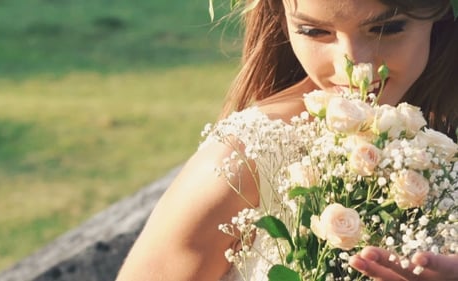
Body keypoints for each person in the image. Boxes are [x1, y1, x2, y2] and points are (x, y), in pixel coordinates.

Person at [116, 0, 458, 280]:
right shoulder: (244, 157)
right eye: (314, 31)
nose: (353, 64)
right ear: (282, 21)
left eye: (385, 28)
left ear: (440, 12)